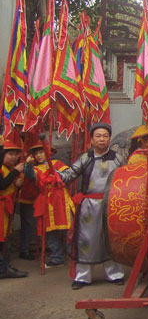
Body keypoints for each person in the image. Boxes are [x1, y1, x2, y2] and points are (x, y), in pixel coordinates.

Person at [58, 122, 126, 289]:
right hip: (89, 206)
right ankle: (82, 277)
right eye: (98, 136)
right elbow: (68, 175)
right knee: (86, 240)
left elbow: (126, 179)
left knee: (110, 240)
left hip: (111, 205)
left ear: (109, 138)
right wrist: (53, 175)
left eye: (105, 136)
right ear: (92, 139)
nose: (102, 139)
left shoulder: (118, 158)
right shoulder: (85, 158)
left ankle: (114, 274)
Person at [23, 136, 73, 268]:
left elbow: (68, 175)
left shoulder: (57, 163)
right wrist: (28, 164)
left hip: (61, 197)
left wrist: (55, 173)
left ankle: (74, 255)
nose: (39, 155)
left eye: (41, 152)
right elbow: (29, 175)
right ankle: (57, 257)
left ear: (48, 152)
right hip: (46, 200)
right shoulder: (34, 168)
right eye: (36, 153)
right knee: (50, 231)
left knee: (70, 229)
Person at [0, 129, 25, 259]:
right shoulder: (3, 169)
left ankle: (5, 263)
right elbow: (2, 185)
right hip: (1, 206)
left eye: (16, 154)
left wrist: (17, 185)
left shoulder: (9, 169)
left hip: (7, 207)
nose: (14, 157)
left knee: (6, 234)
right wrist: (15, 172)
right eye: (10, 154)